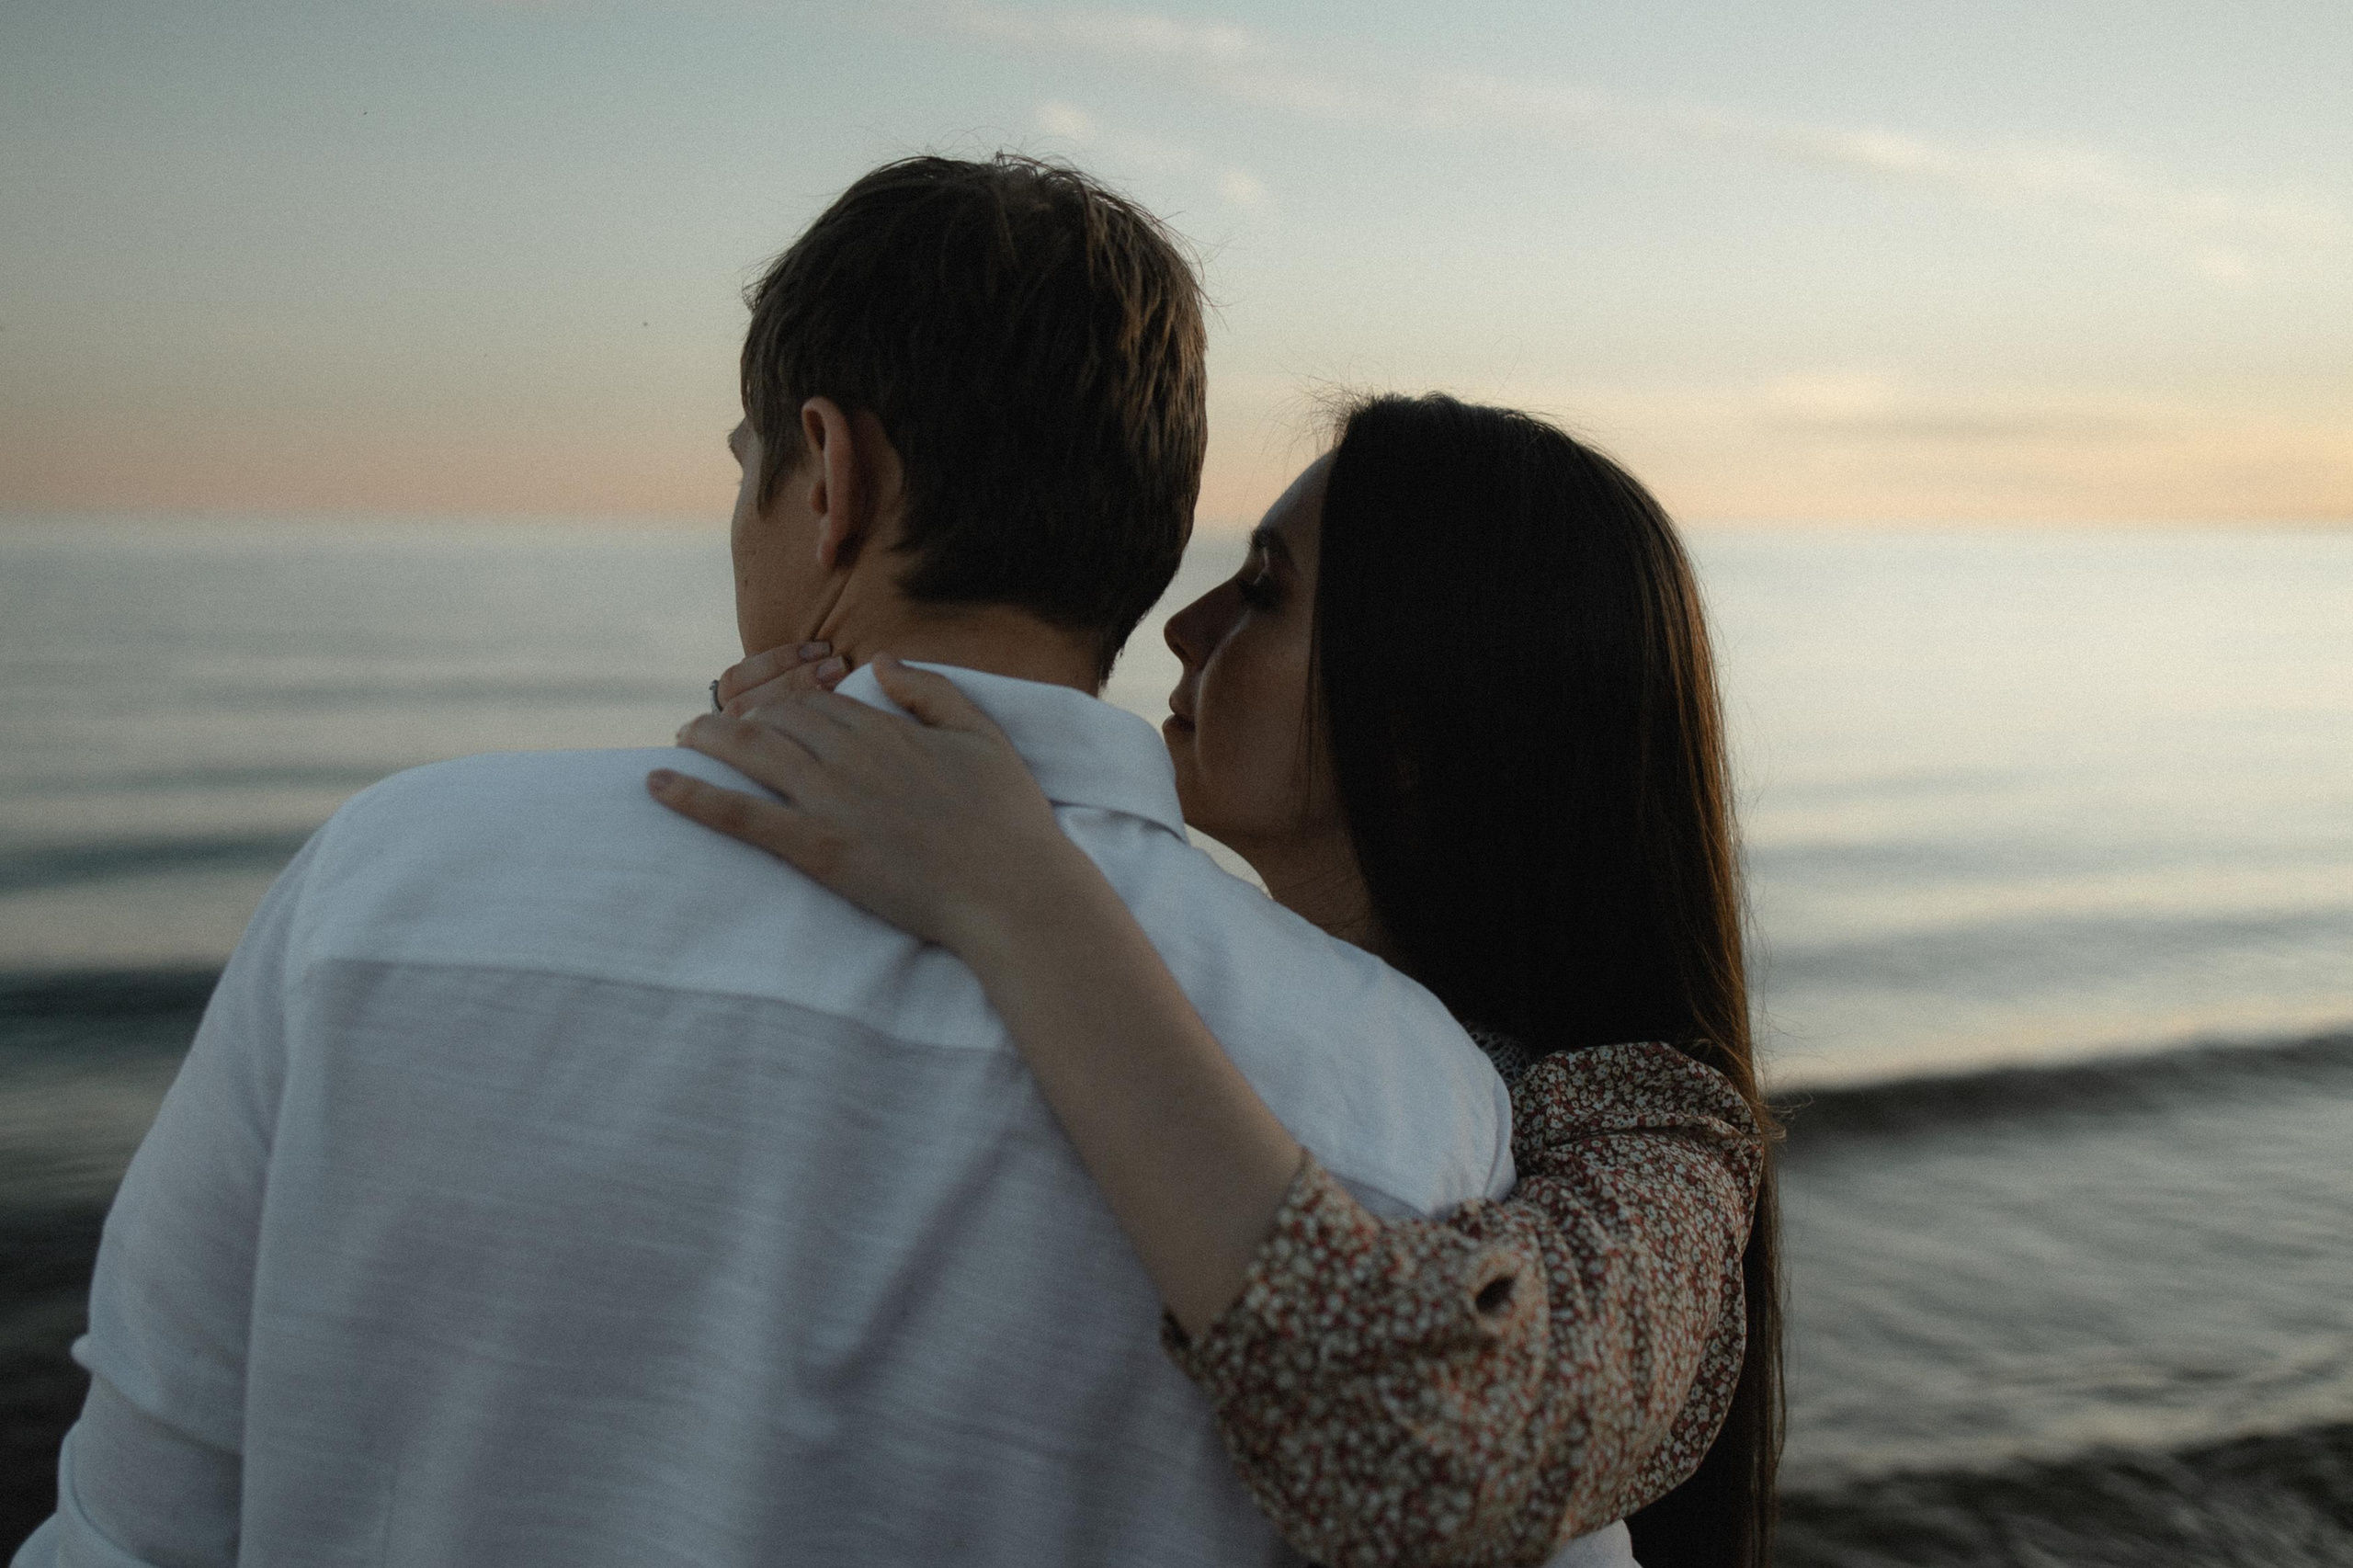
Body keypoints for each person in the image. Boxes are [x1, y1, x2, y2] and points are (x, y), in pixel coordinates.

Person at [15, 157, 1525, 1567]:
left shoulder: (388, 886)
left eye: (747, 460)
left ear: (828, 474)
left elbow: (130, 1529)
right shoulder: (1408, 1093)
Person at [655, 392, 1782, 1567]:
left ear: (1420, 711)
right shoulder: (1220, 970)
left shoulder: (1654, 1143)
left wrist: (1016, 893)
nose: (1183, 627)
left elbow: (1435, 1453)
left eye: (1261, 591)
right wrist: (828, 748)